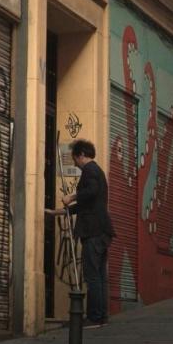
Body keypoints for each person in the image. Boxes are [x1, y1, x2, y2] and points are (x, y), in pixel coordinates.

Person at [46, 139, 115, 328]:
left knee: (92, 275)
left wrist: (72, 196)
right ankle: (101, 316)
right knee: (99, 275)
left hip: (93, 231)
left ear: (81, 155)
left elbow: (89, 193)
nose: (75, 163)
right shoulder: (97, 172)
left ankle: (94, 317)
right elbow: (86, 204)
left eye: (75, 158)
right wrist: (58, 212)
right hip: (101, 231)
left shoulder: (90, 171)